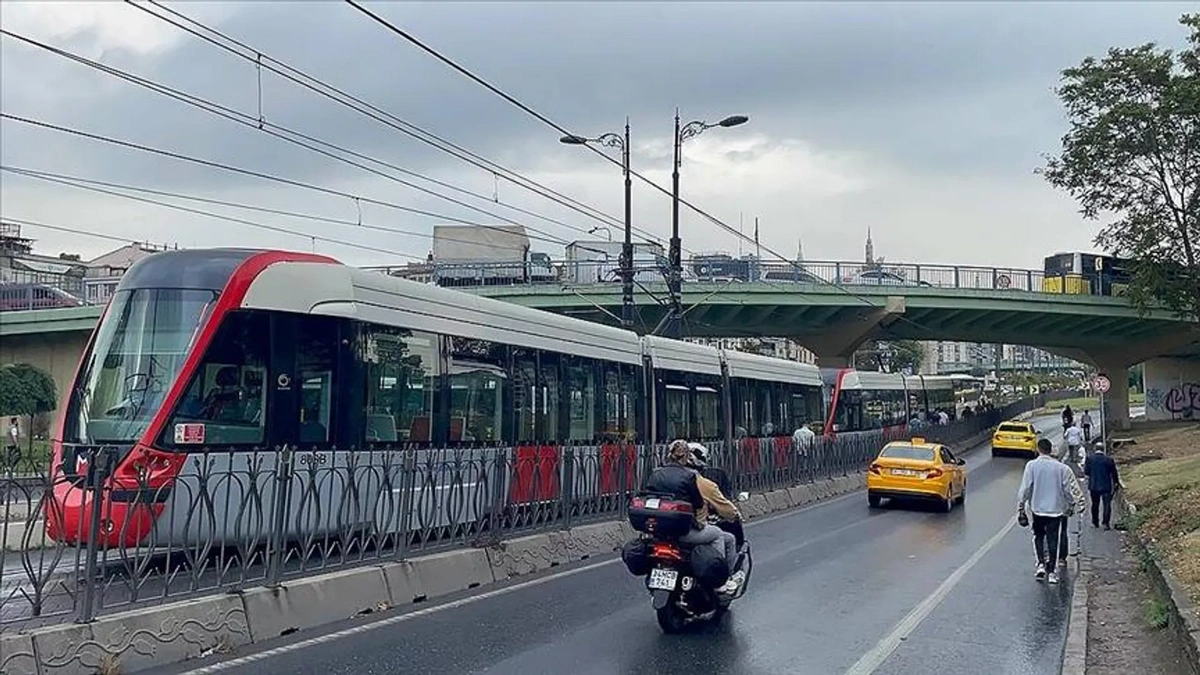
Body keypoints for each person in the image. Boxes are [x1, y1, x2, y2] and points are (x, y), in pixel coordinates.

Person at [643, 440, 743, 594]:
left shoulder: (656, 474)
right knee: (720, 535)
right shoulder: (692, 479)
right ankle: (719, 580)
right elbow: (697, 503)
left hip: (660, 531)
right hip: (685, 532)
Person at [1017, 438, 1085, 585]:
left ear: (1038, 449)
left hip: (1037, 509)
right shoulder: (1061, 468)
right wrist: (1071, 504)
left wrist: (1021, 505)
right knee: (1053, 539)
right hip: (1055, 510)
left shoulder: (1031, 466)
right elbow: (1067, 489)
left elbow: (1026, 488)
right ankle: (1052, 572)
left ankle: (1041, 564)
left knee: (1039, 537)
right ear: (1050, 450)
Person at [688, 443, 744, 547]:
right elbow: (726, 509)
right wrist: (735, 515)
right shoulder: (703, 484)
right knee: (723, 537)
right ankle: (718, 563)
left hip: (664, 530)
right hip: (689, 529)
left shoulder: (662, 478)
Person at [1083, 442, 1121, 530]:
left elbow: (1086, 472)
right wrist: (1116, 482)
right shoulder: (1109, 460)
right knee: (1107, 504)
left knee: (1095, 504)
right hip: (1106, 485)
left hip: (1094, 485)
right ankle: (1105, 523)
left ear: (1095, 449)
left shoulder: (1090, 459)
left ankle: (1095, 521)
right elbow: (1114, 473)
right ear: (1103, 449)